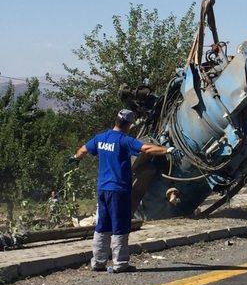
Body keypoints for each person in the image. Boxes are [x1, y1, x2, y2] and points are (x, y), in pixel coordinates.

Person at [71, 109, 175, 273]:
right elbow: (147, 148)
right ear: (128, 124)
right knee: (120, 226)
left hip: (103, 189)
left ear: (116, 121)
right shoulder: (124, 140)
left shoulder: (101, 138)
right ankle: (120, 263)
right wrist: (167, 150)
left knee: (102, 226)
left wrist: (75, 159)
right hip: (118, 190)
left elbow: (83, 150)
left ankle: (98, 262)